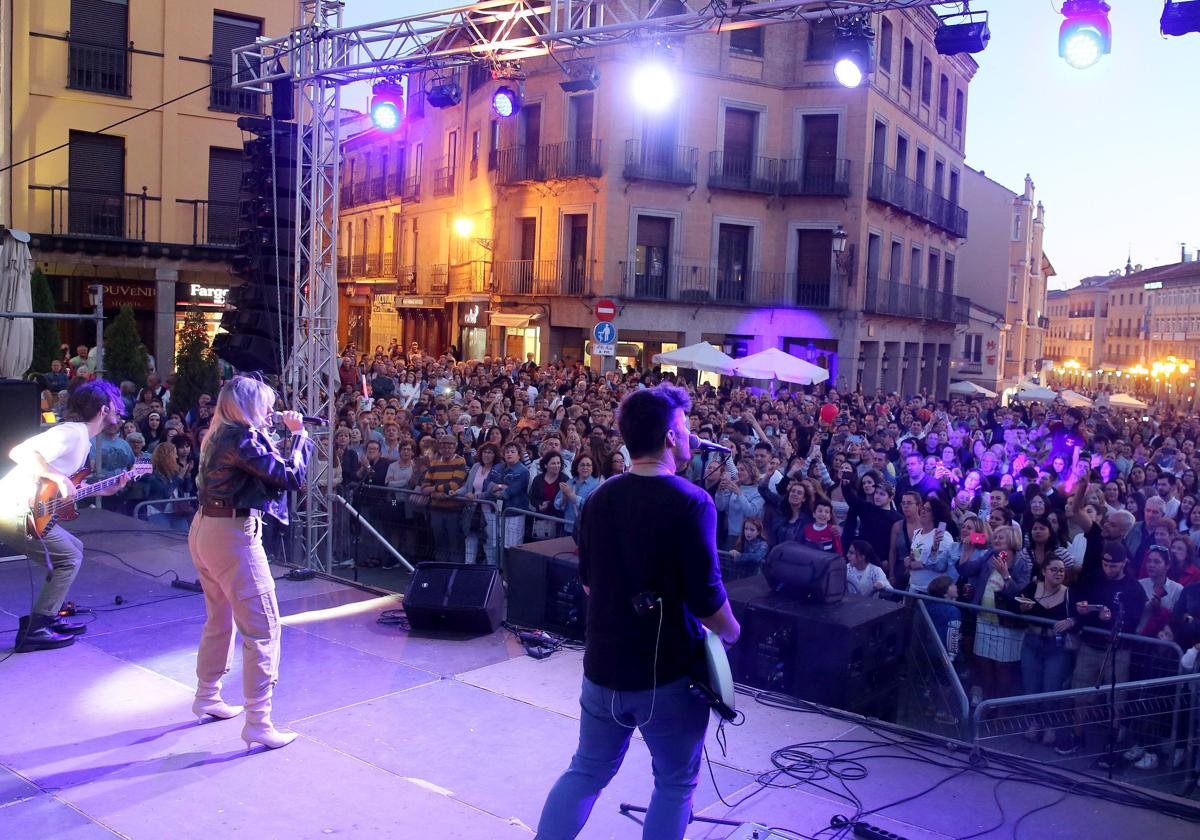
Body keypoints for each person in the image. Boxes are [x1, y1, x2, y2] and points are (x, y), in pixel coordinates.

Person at [535, 384, 740, 840]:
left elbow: (588, 581)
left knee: (585, 772)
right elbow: (709, 601)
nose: (692, 437)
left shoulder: (599, 498)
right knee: (674, 783)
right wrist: (733, 631)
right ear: (670, 437)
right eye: (686, 429)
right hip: (665, 678)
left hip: (602, 669)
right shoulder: (692, 502)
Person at [189, 377, 314, 751]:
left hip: (206, 529)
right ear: (247, 406)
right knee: (264, 628)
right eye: (265, 405)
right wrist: (301, 437)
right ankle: (258, 721)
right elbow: (290, 476)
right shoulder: (242, 437)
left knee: (220, 617)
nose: (269, 412)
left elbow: (258, 466)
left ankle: (208, 694)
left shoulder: (221, 433)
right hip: (232, 536)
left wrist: (281, 435)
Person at [0, 380, 131, 652]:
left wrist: (105, 490)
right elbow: (20, 452)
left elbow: (65, 491)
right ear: (104, 409)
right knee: (69, 558)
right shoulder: (73, 433)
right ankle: (36, 630)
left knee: (74, 549)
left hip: (29, 512)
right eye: (115, 406)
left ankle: (46, 617)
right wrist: (59, 477)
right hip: (15, 510)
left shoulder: (82, 439)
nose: (119, 411)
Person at [1016, 556, 1077, 745]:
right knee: (1031, 687)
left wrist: (1071, 621)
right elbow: (1014, 604)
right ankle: (1035, 722)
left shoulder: (1069, 594)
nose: (1058, 573)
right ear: (1044, 571)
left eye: (1061, 570)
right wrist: (1021, 608)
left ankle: (1050, 725)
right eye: (1054, 569)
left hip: (1056, 646)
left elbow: (1080, 617)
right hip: (1032, 642)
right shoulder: (1032, 588)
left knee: (1051, 687)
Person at [421, 435, 468, 564]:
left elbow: (454, 485)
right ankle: (440, 565)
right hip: (436, 507)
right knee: (439, 540)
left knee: (454, 540)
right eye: (443, 446)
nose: (446, 449)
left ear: (455, 447)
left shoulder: (460, 461)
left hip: (454, 509)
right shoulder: (434, 462)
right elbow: (425, 485)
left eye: (449, 446)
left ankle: (454, 567)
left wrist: (432, 489)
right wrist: (436, 494)